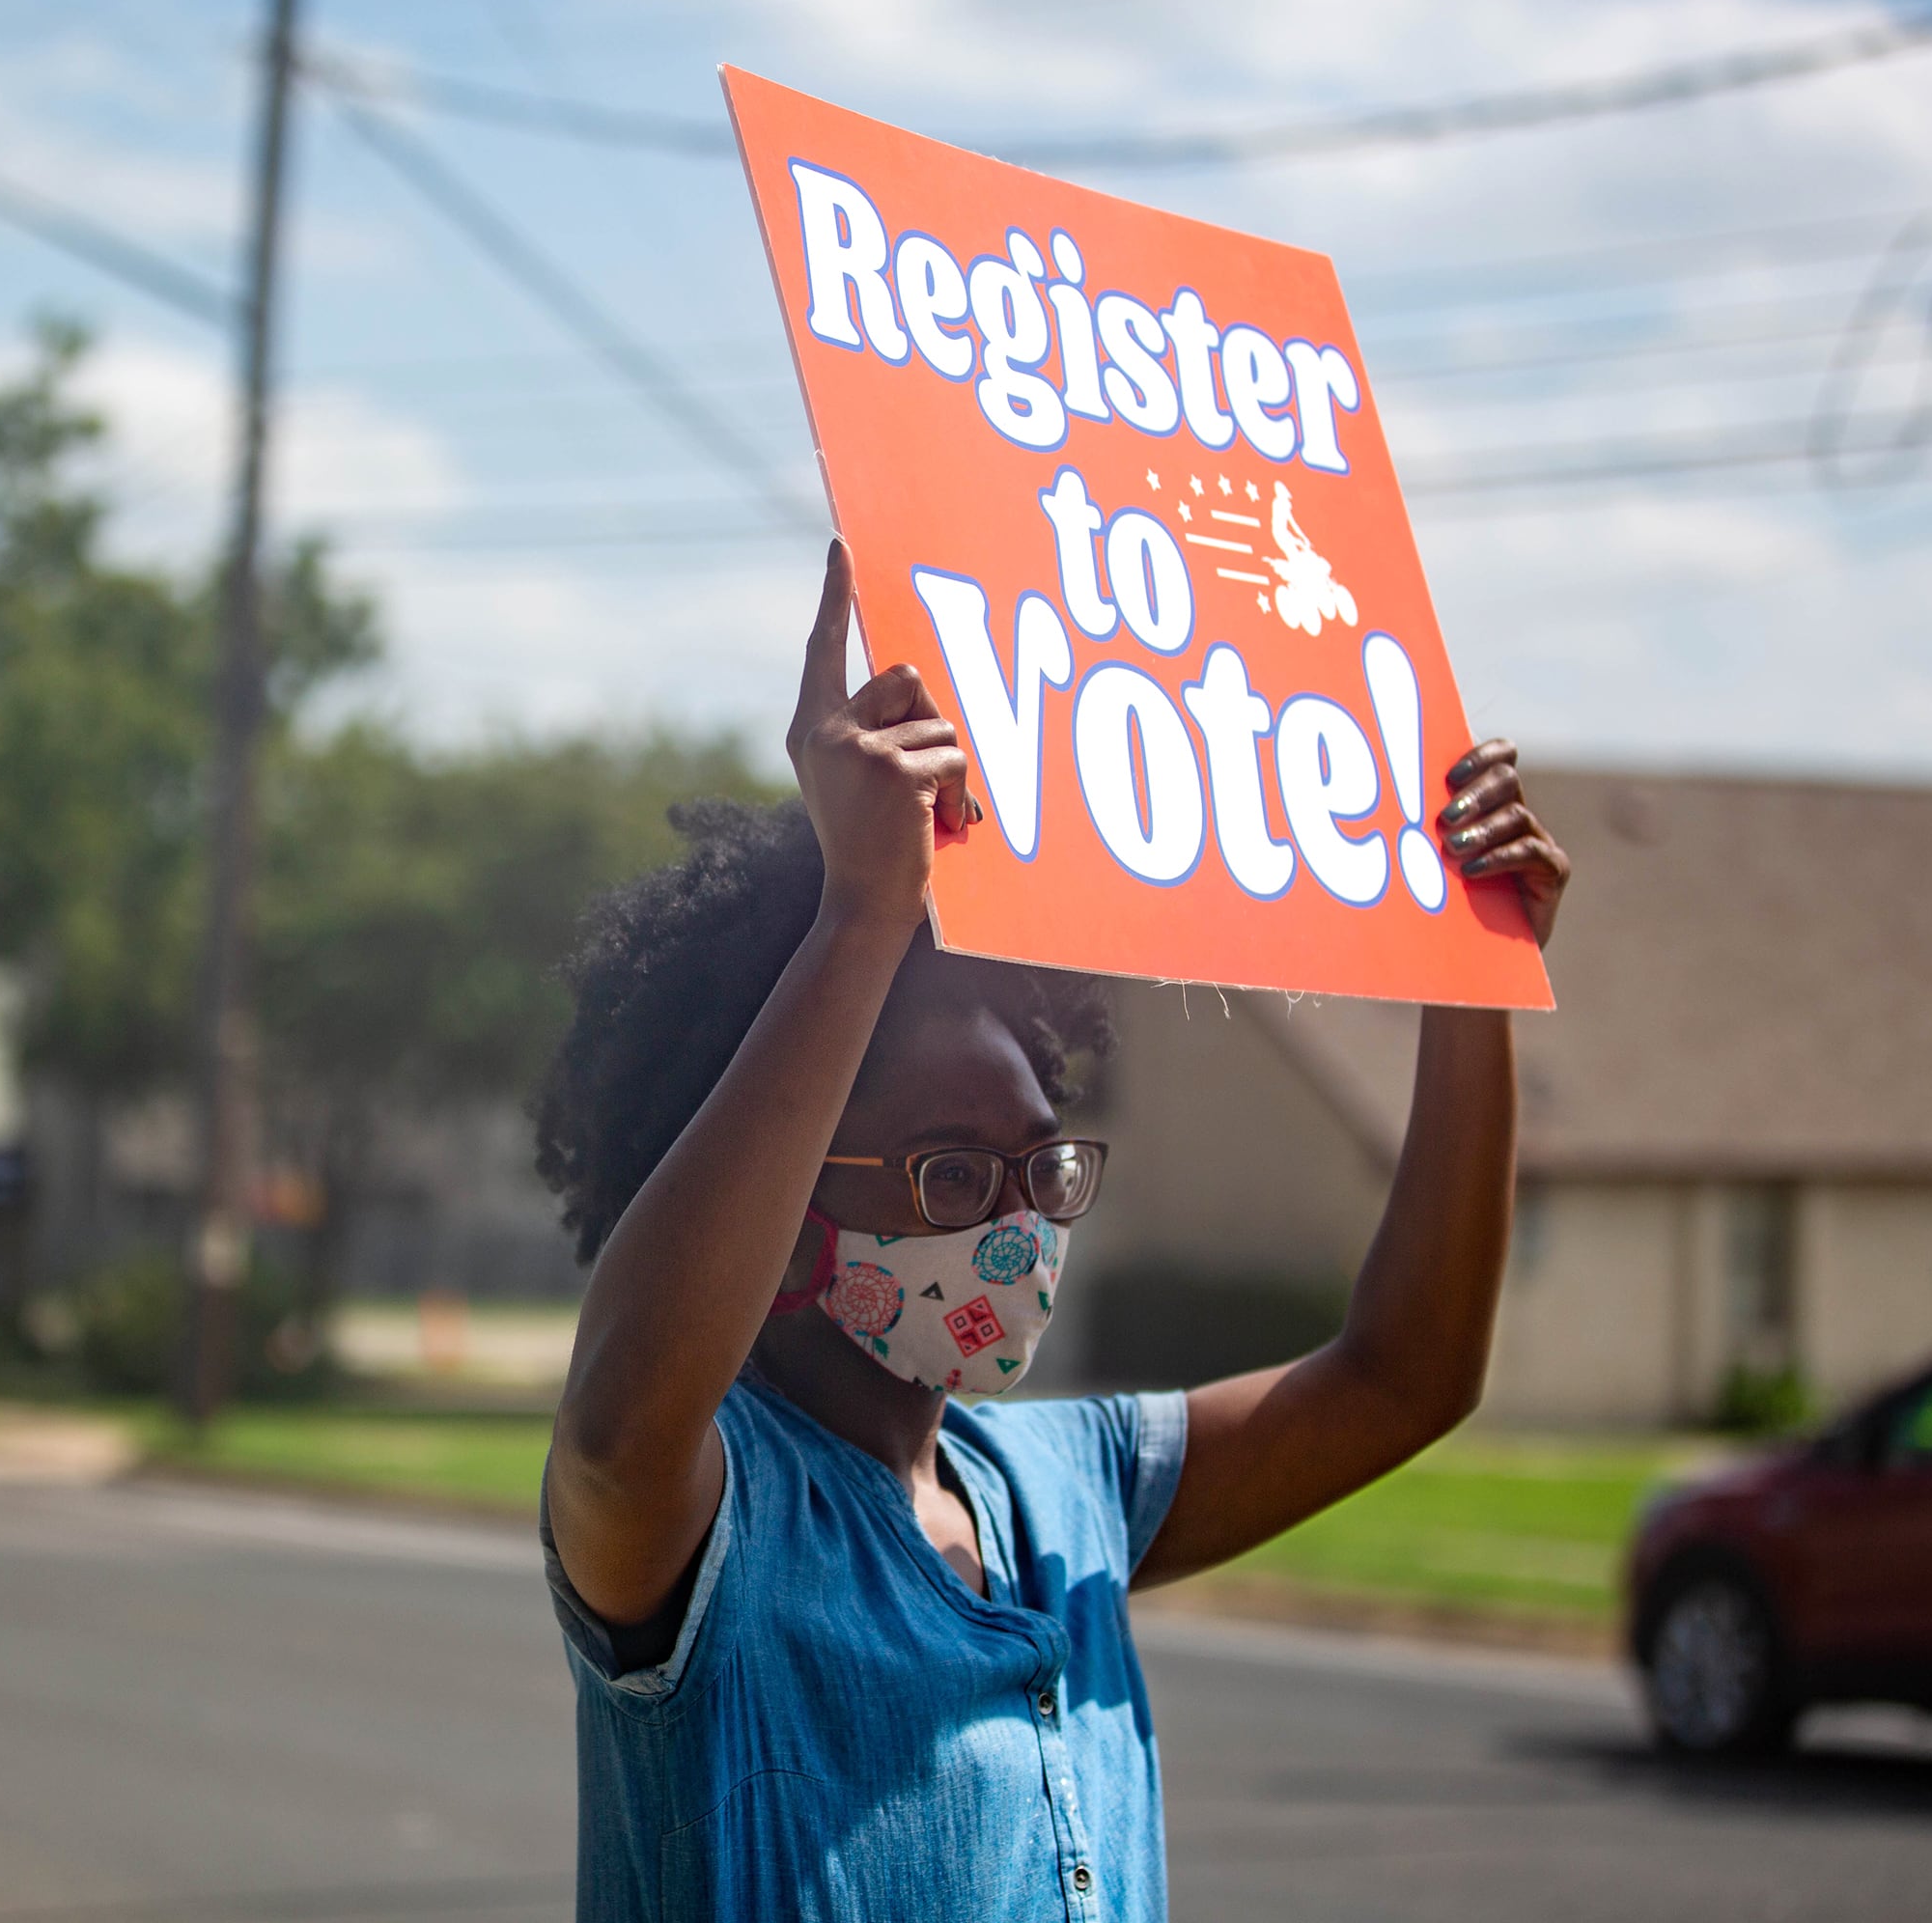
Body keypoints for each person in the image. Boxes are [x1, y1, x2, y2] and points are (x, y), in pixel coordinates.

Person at [530, 541, 1571, 1920]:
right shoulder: (703, 1518)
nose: (1017, 1225)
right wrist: (862, 915)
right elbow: (614, 1426)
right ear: (786, 1213)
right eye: (952, 1178)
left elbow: (1405, 1378)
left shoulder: (1066, 1486)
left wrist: (1473, 969)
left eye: (1039, 1164)